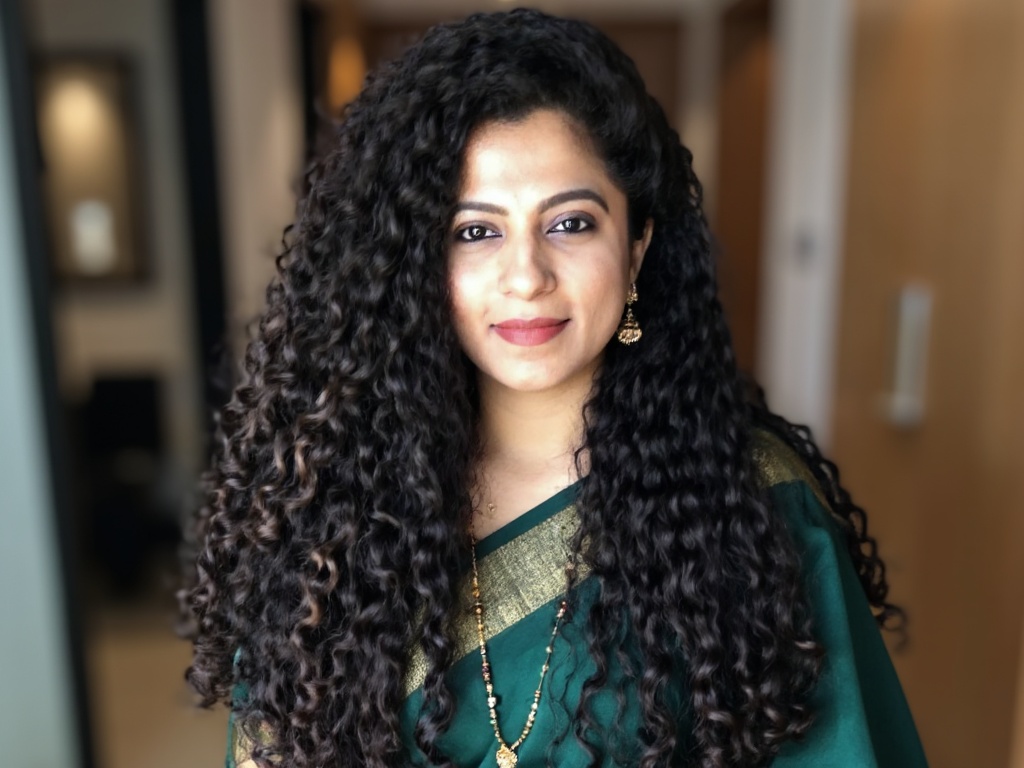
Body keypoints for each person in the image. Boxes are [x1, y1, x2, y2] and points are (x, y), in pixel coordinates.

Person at [181, 9, 928, 768]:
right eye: (476, 232)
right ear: (415, 267)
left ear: (636, 247)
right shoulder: (331, 500)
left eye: (570, 223)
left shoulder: (754, 506)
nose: (527, 276)